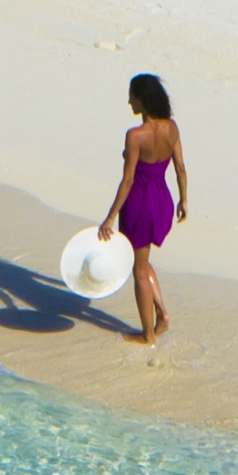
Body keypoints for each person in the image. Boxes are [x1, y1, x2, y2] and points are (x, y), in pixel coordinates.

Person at [98, 74, 187, 345]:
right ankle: (162, 314)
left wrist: (110, 217)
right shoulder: (172, 128)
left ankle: (148, 334)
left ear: (143, 100)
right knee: (143, 261)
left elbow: (128, 180)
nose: (129, 101)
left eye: (132, 96)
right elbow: (180, 168)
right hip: (162, 200)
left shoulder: (136, 136)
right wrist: (184, 200)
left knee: (138, 270)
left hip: (139, 203)